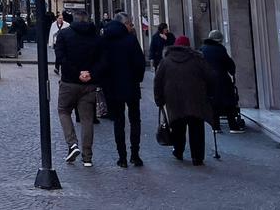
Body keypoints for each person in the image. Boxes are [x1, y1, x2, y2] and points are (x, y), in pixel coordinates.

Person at [154, 35, 216, 166]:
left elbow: (158, 81)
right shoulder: (197, 59)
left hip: (174, 100)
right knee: (196, 127)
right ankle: (197, 157)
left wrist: (159, 99)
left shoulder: (166, 61)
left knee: (177, 126)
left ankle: (178, 151)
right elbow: (210, 76)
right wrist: (210, 94)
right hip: (196, 98)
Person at [54, 9, 104, 167]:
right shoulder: (96, 37)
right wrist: (90, 73)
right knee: (87, 119)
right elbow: (103, 60)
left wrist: (77, 73)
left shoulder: (64, 34)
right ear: (87, 19)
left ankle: (72, 143)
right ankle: (87, 157)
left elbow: (61, 57)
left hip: (69, 82)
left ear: (73, 20)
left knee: (63, 110)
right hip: (89, 84)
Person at [100, 11, 147, 167]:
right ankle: (135, 154)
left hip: (113, 87)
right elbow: (140, 63)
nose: (131, 27)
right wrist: (137, 78)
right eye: (130, 24)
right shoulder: (131, 40)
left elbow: (102, 63)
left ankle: (122, 157)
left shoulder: (105, 39)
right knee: (135, 120)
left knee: (118, 122)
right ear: (125, 24)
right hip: (131, 85)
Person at [201, 30, 245, 133]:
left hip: (208, 80)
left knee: (213, 104)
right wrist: (232, 72)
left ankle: (215, 127)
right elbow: (229, 63)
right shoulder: (220, 49)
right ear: (219, 40)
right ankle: (233, 126)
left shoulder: (202, 49)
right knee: (229, 103)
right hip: (221, 79)